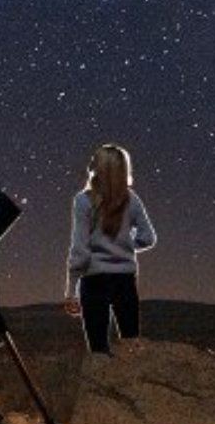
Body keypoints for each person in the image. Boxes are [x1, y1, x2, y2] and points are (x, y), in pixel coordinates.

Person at [63, 143, 156, 352]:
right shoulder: (132, 200)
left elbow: (80, 250)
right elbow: (148, 238)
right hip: (125, 279)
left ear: (94, 168)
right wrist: (124, 247)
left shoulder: (82, 201)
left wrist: (70, 291)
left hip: (94, 279)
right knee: (131, 346)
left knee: (98, 352)